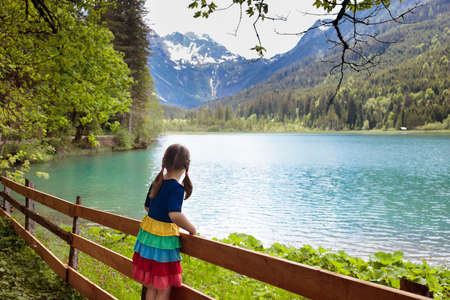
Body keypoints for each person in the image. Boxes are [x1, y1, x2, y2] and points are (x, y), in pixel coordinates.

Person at [132, 144, 197, 300]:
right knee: (164, 286)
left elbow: (147, 207)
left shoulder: (158, 181)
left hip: (148, 239)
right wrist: (192, 229)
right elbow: (174, 214)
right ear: (185, 166)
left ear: (165, 162)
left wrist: (159, 218)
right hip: (163, 242)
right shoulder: (176, 188)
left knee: (152, 286)